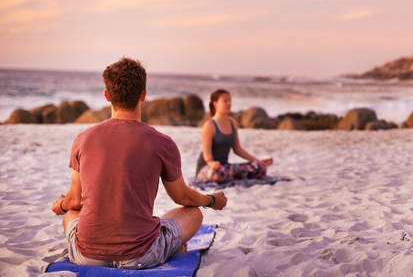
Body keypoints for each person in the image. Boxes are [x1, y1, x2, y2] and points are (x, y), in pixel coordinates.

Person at [50, 57, 228, 270]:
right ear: (143, 95)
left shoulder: (83, 139)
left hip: (86, 256)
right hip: (142, 256)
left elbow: (74, 201)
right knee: (194, 213)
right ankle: (169, 247)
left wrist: (59, 206)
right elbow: (182, 197)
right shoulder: (162, 142)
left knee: (71, 214)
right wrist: (210, 200)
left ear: (107, 96)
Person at [195, 89, 273, 182]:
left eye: (230, 100)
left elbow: (238, 149)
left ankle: (231, 175)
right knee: (220, 174)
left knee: (260, 168)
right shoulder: (209, 125)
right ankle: (230, 175)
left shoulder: (232, 123)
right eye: (225, 101)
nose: (229, 103)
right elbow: (206, 152)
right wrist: (211, 163)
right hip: (207, 167)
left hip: (225, 167)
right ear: (215, 104)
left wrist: (258, 161)